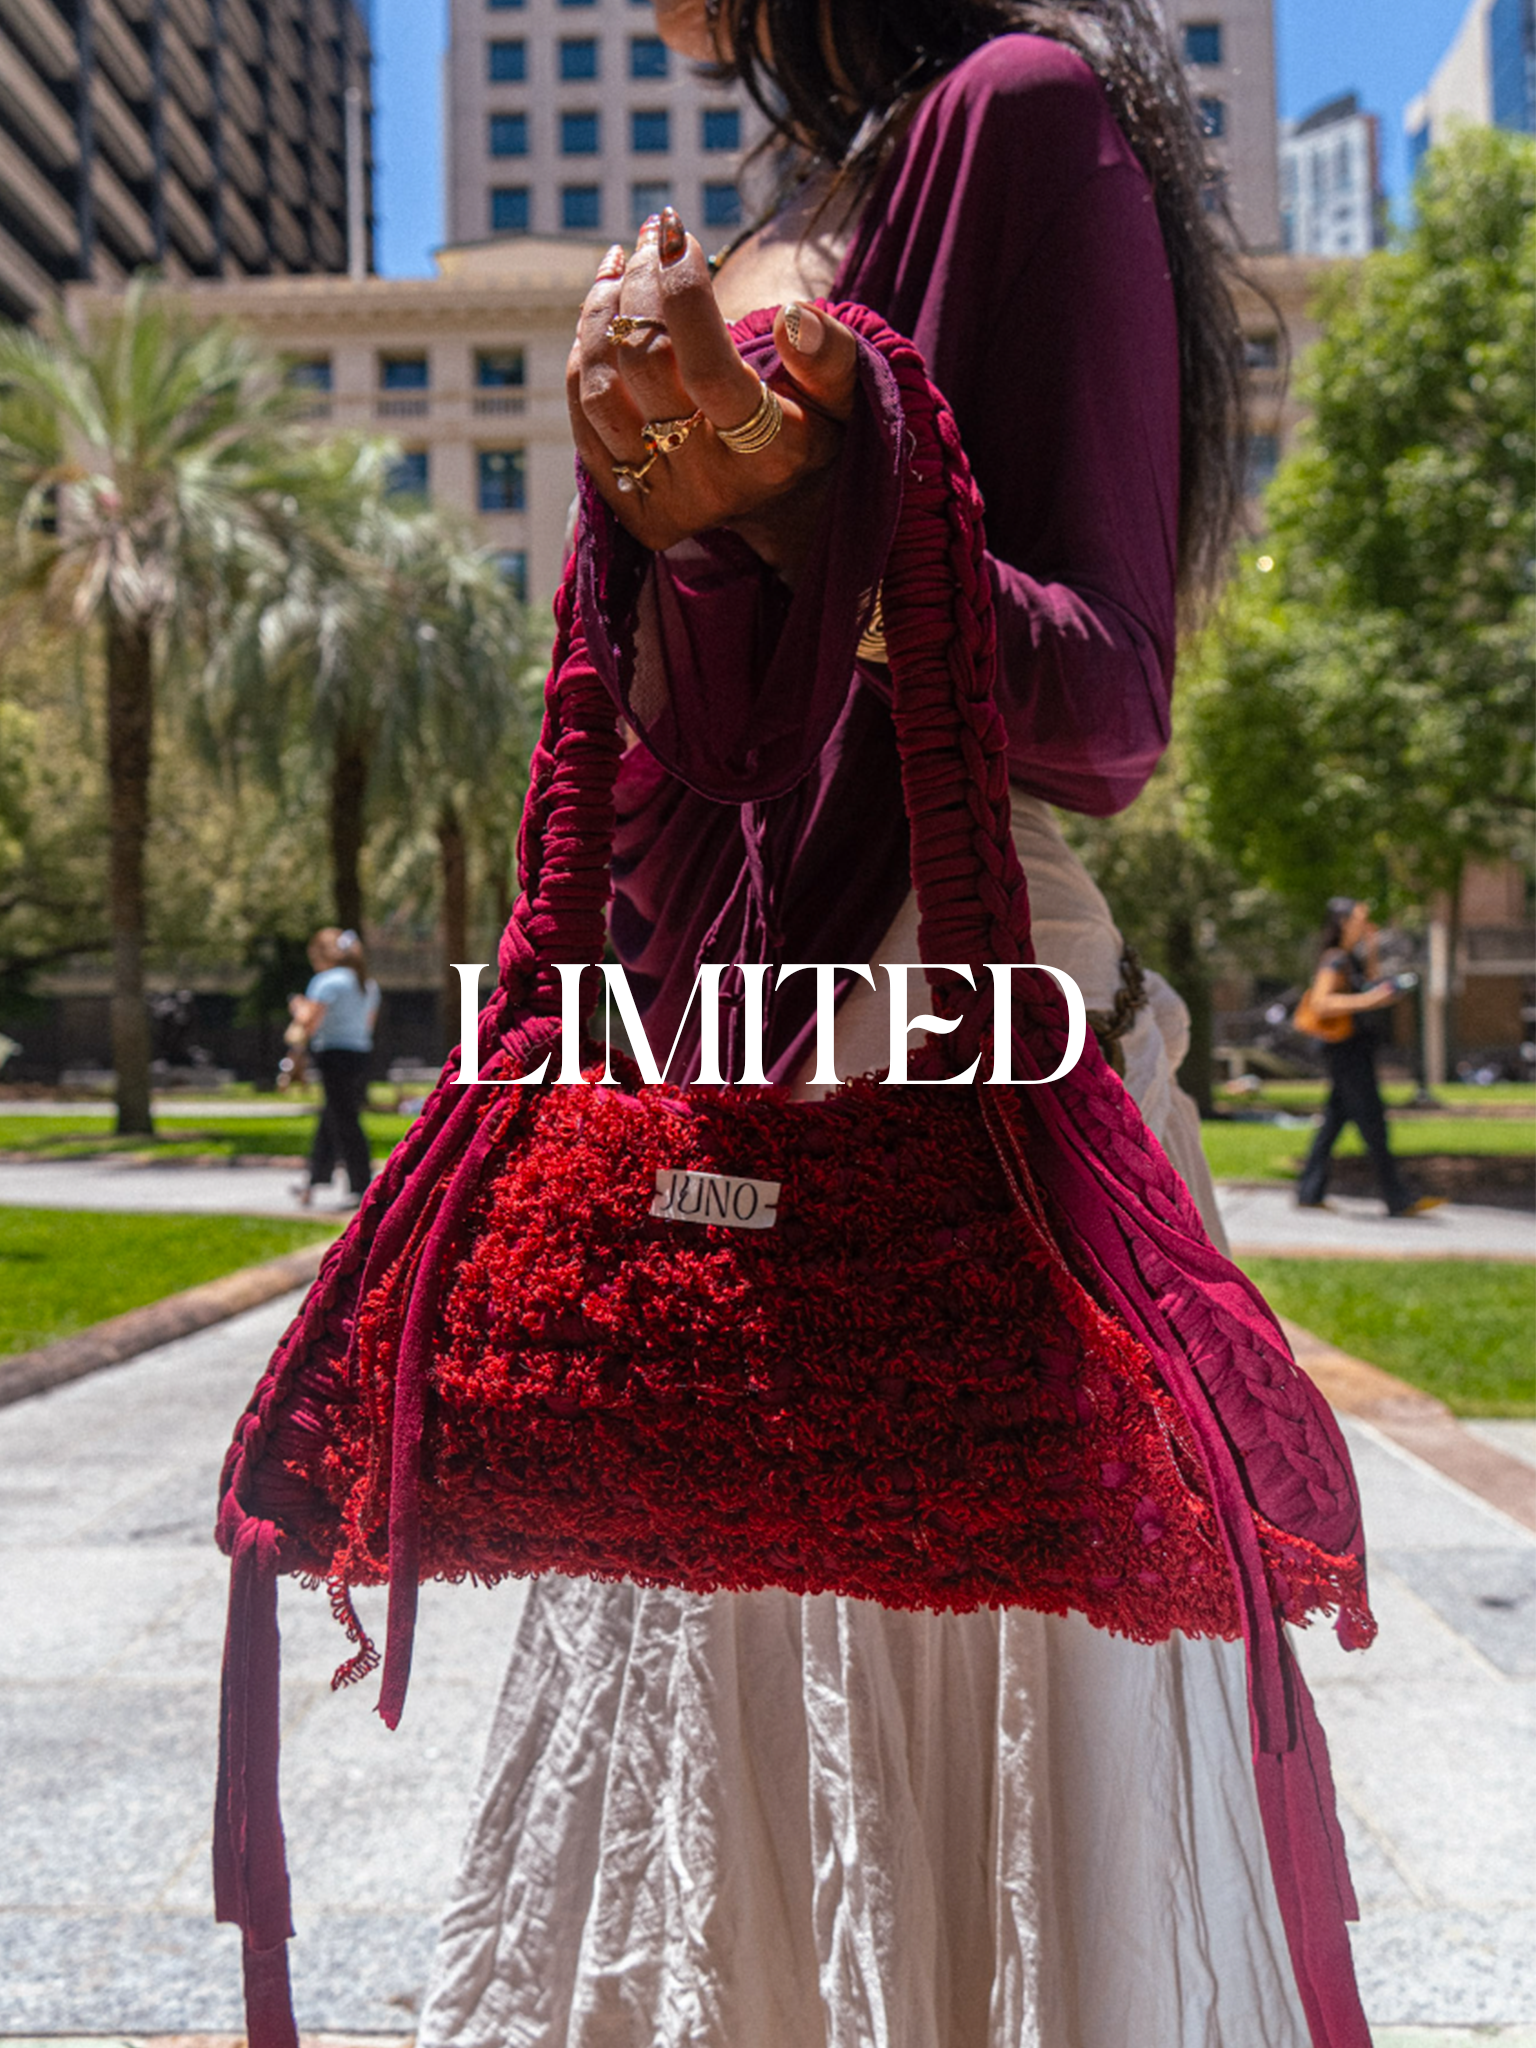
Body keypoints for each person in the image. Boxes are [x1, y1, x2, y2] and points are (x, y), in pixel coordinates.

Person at [417, 4, 1365, 2042]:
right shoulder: (820, 198)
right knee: (730, 1854)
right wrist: (703, 529)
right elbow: (719, 760)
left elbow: (1106, 700)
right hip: (739, 1086)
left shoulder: (1024, 117)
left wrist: (813, 508)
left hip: (955, 1054)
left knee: (963, 1857)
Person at [1296, 897, 1441, 1217]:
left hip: (1356, 1050)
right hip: (1346, 1052)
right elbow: (1322, 1003)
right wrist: (1369, 1000)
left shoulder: (1352, 959)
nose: (1366, 923)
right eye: (1360, 919)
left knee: (1333, 1122)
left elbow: (1371, 980)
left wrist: (1372, 947)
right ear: (1343, 922)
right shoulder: (1334, 960)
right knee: (1373, 1123)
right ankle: (1397, 1197)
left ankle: (1309, 1191)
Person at [288, 927, 379, 1209]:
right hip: (359, 1054)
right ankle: (315, 1178)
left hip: (333, 1054)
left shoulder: (326, 983)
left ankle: (363, 1184)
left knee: (344, 1120)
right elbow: (368, 1025)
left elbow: (309, 1023)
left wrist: (298, 1008)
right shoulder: (367, 984)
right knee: (333, 1114)